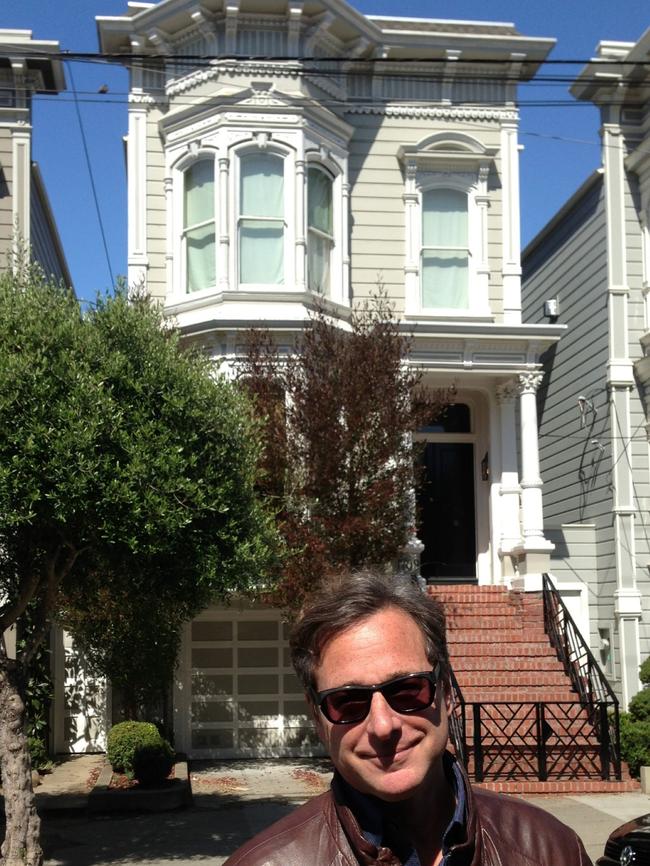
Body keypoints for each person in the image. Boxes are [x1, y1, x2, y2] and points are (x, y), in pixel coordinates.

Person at [224, 571, 593, 865]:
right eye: (348, 702)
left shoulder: (552, 850)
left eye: (407, 690)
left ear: (447, 691)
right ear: (317, 716)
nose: (384, 726)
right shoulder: (266, 862)